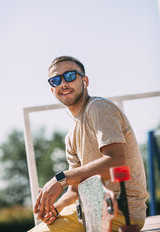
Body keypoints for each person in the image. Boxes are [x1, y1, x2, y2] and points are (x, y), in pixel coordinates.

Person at [29, 56, 148, 232]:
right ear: (52, 89)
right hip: (88, 209)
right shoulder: (71, 136)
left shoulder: (99, 108)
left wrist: (60, 178)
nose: (63, 83)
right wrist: (55, 207)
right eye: (55, 80)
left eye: (69, 76)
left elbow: (117, 162)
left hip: (121, 212)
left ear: (85, 80)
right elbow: (75, 189)